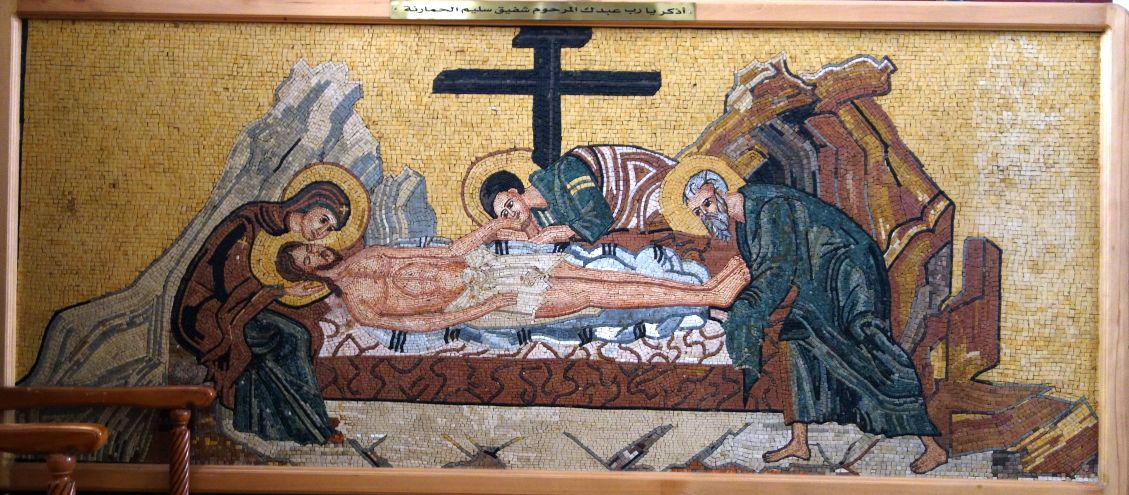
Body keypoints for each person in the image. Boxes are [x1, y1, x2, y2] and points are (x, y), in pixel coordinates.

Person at [681, 171, 948, 474]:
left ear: (719, 190)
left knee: (868, 341)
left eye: (706, 203)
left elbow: (776, 270)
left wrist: (744, 309)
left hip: (849, 271)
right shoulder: (744, 223)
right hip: (816, 280)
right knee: (795, 340)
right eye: (698, 212)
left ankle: (932, 446)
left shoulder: (770, 205)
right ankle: (799, 442)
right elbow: (769, 269)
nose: (705, 214)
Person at [273, 217, 751, 332]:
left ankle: (706, 288)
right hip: (480, 305)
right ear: (308, 278)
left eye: (310, 248)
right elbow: (430, 321)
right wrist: (485, 305)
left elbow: (447, 253)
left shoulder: (372, 256)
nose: (316, 253)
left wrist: (491, 229)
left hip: (486, 267)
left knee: (599, 275)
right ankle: (707, 298)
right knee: (589, 296)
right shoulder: (360, 307)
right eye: (307, 260)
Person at [172, 180, 351, 445]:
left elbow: (264, 281)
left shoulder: (286, 235)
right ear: (307, 203)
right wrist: (280, 292)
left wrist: (285, 293)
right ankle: (309, 427)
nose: (322, 231)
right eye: (323, 219)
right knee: (290, 337)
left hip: (244, 307)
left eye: (329, 228)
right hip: (207, 310)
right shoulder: (251, 222)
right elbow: (229, 281)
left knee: (306, 333)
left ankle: (311, 415)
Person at [479, 146, 675, 244]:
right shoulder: (537, 215)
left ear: (514, 192)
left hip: (644, 185)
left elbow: (601, 217)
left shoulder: (565, 172)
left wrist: (566, 231)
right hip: (628, 220)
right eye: (504, 215)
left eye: (509, 205)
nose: (511, 214)